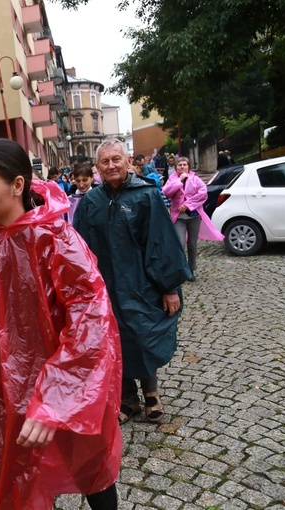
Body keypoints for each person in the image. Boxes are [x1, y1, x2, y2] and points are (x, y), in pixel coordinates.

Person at [0, 139, 122, 510]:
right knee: (16, 479)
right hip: (5, 391)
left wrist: (56, 398)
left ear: (17, 185)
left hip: (65, 387)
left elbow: (91, 322)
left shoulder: (56, 239)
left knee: (90, 471)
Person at [74, 139, 192, 426]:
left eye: (116, 159)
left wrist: (169, 287)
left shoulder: (146, 196)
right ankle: (128, 398)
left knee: (143, 337)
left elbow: (163, 244)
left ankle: (151, 393)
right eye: (105, 162)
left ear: (128, 162)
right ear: (98, 168)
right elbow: (77, 247)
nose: (111, 165)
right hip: (106, 287)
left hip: (143, 284)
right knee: (114, 341)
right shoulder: (91, 202)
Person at [162, 157, 224, 281]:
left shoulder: (195, 179)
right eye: (179, 165)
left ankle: (191, 269)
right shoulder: (173, 179)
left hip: (194, 216)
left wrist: (188, 205)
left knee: (192, 244)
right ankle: (181, 269)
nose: (182, 167)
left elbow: (202, 194)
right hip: (178, 217)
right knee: (179, 244)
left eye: (184, 164)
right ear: (176, 167)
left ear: (188, 167)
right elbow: (166, 192)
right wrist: (179, 180)